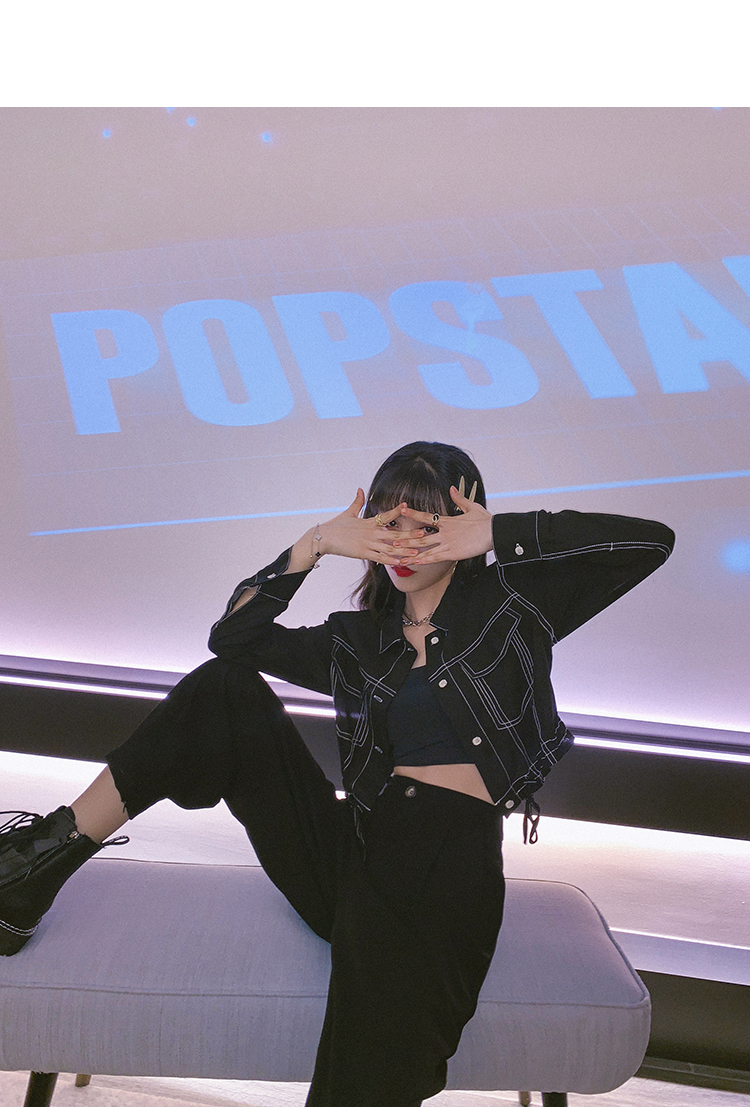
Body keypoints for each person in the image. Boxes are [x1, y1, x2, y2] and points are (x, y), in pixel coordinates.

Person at [0, 441, 675, 1107]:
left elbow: (651, 544)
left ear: (462, 525)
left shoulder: (516, 606)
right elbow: (232, 640)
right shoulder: (358, 639)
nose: (404, 543)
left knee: (361, 1084)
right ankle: (34, 865)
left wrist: (498, 533)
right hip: (352, 848)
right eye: (389, 522)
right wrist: (316, 544)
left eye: (427, 525)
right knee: (222, 688)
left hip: (441, 864)